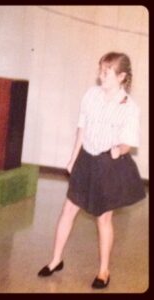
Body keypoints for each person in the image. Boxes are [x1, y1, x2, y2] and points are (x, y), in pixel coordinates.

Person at [37, 52, 146, 289]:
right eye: (100, 70)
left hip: (109, 163)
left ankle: (104, 271)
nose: (101, 75)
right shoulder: (91, 95)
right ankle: (56, 260)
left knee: (103, 218)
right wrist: (73, 158)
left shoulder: (129, 107)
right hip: (86, 159)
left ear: (121, 76)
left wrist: (119, 148)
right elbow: (82, 129)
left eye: (106, 72)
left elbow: (129, 142)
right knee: (68, 209)